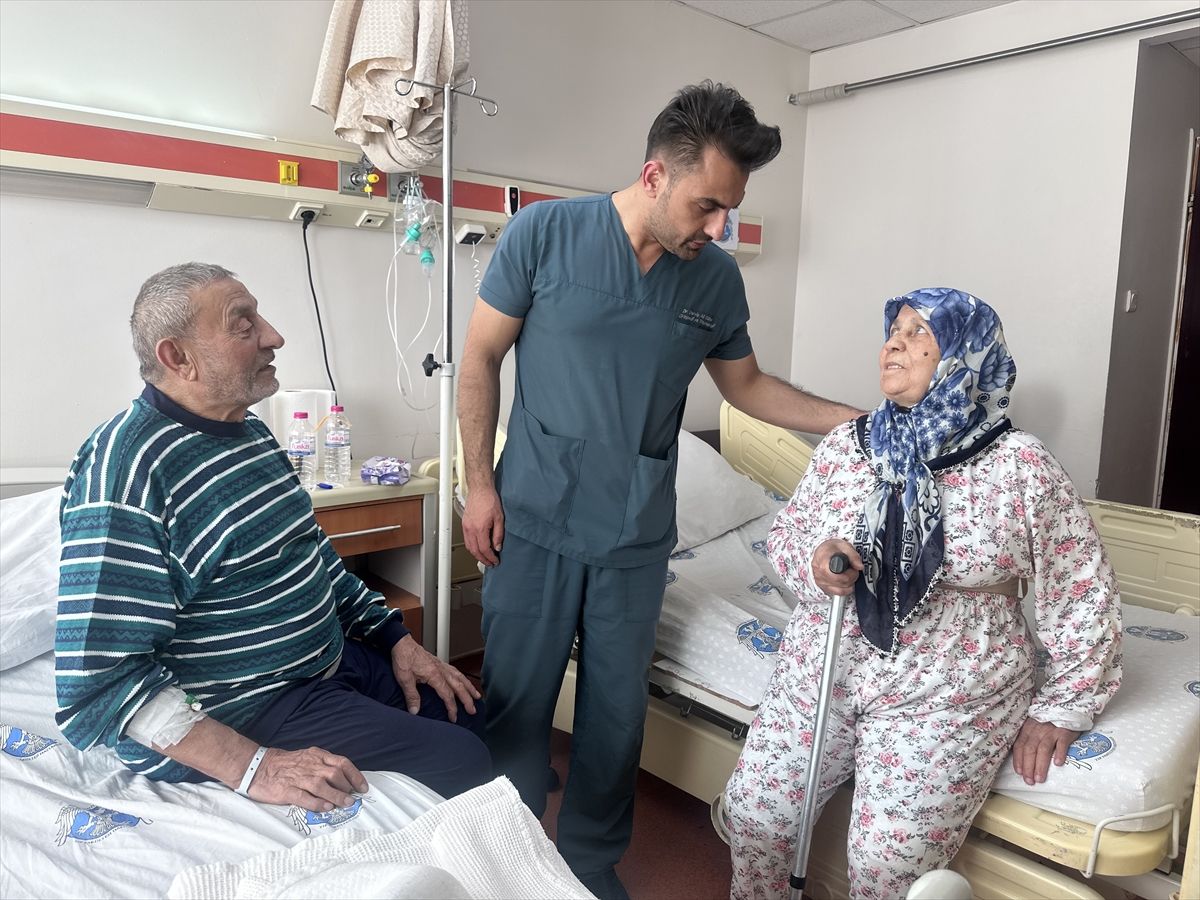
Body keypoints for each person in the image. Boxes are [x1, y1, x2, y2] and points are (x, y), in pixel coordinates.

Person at [457, 81, 862, 899]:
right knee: (517, 704)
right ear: (654, 176)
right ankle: (505, 859)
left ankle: (589, 863)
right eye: (707, 206)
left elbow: (747, 388)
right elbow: (479, 360)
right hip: (533, 517)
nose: (718, 229)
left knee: (615, 717)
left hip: (635, 534)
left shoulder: (713, 281)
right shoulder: (544, 235)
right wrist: (478, 486)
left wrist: (855, 421)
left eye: (730, 212)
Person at [723, 288, 1123, 899]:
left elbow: (1080, 586)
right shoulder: (846, 445)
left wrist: (1064, 704)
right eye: (894, 330)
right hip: (824, 667)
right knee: (754, 816)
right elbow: (790, 534)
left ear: (965, 355)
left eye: (918, 333)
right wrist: (815, 563)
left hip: (950, 687)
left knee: (887, 866)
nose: (894, 343)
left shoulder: (1019, 464)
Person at [55, 262, 490, 810]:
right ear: (178, 357)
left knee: (471, 710)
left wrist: (396, 640)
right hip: (242, 707)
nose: (274, 336)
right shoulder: (126, 471)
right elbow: (96, 681)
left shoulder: (250, 434)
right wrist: (253, 766)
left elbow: (314, 558)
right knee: (461, 760)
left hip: (325, 664)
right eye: (244, 325)